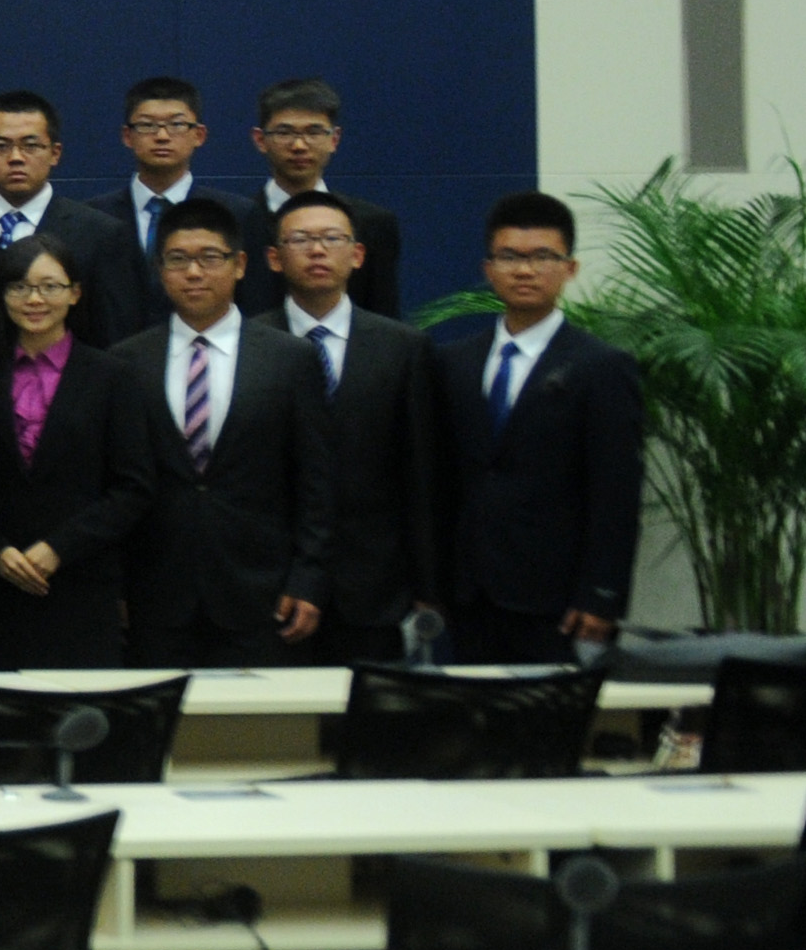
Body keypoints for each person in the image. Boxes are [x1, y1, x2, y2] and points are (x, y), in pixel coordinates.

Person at [113, 198, 337, 668]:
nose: (194, 272)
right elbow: (115, 483)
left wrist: (308, 578)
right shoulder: (127, 362)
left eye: (210, 258)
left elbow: (315, 481)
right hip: (156, 595)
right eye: (178, 259)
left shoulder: (290, 358)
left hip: (262, 592)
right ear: (160, 270)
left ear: (239, 265)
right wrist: (115, 586)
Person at [433, 191, 645, 663]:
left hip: (558, 599)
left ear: (570, 268)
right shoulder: (453, 363)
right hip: (468, 595)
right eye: (509, 257)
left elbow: (616, 492)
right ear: (488, 269)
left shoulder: (602, 366)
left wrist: (602, 594)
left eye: (543, 257)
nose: (525, 270)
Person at [262, 186, 443, 655]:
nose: (317, 250)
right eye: (300, 240)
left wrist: (427, 586)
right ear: (274, 258)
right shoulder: (247, 343)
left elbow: (420, 475)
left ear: (358, 255)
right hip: (271, 585)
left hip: (375, 588)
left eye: (332, 238)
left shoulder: (403, 349)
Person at [0, 232, 145, 668]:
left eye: (50, 286)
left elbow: (132, 488)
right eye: (20, 287)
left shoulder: (113, 377)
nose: (35, 299)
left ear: (75, 293)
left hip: (83, 583)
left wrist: (58, 548)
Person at [0, 92, 142, 372]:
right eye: (1, 146)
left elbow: (113, 337)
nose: (16, 158)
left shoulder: (100, 234)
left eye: (31, 145)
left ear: (55, 153)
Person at [232, 78, 406, 320]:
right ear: (260, 140)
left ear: (334, 139)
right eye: (284, 132)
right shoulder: (235, 222)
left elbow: (383, 318)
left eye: (314, 132)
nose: (299, 145)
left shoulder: (372, 223)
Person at [109, 75, 213, 326]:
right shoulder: (95, 217)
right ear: (127, 136)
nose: (162, 136)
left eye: (177, 124)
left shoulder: (234, 213)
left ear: (199, 135)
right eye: (147, 125)